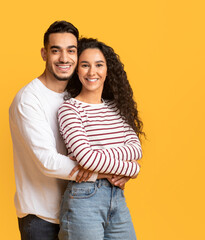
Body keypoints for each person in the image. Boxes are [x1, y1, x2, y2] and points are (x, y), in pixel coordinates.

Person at [9, 21, 131, 240]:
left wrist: (121, 169)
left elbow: (107, 144)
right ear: (44, 54)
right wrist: (107, 173)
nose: (64, 58)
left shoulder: (74, 97)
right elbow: (47, 161)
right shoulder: (29, 99)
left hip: (79, 208)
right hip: (41, 217)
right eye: (56, 51)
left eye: (71, 51)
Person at [58, 38, 144, 240]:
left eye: (99, 65)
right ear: (76, 70)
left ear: (107, 70)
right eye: (85, 65)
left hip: (117, 196)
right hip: (84, 198)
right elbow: (86, 159)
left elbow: (136, 149)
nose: (91, 72)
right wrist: (132, 169)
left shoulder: (115, 108)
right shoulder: (70, 110)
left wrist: (99, 160)